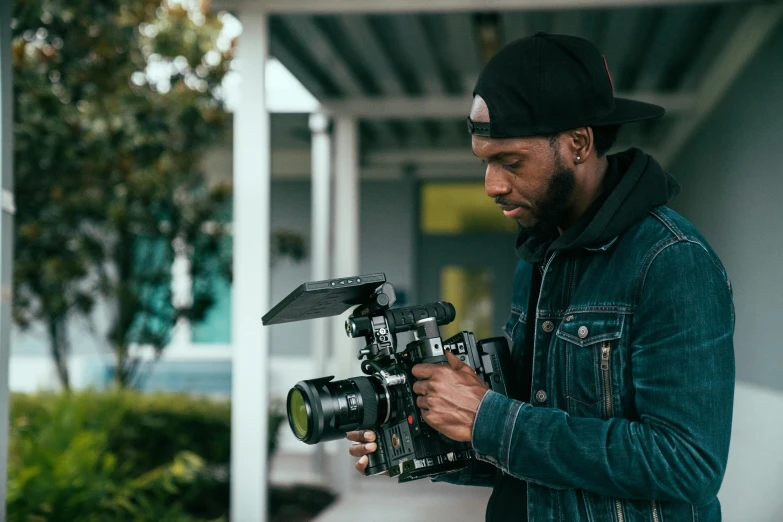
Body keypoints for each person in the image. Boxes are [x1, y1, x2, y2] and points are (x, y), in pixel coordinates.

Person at [347, 32, 735, 522]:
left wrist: (488, 418)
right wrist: (424, 437)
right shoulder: (538, 259)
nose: (492, 185)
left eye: (510, 162)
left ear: (577, 143)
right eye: (485, 163)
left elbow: (686, 463)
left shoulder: (672, 261)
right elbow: (532, 455)